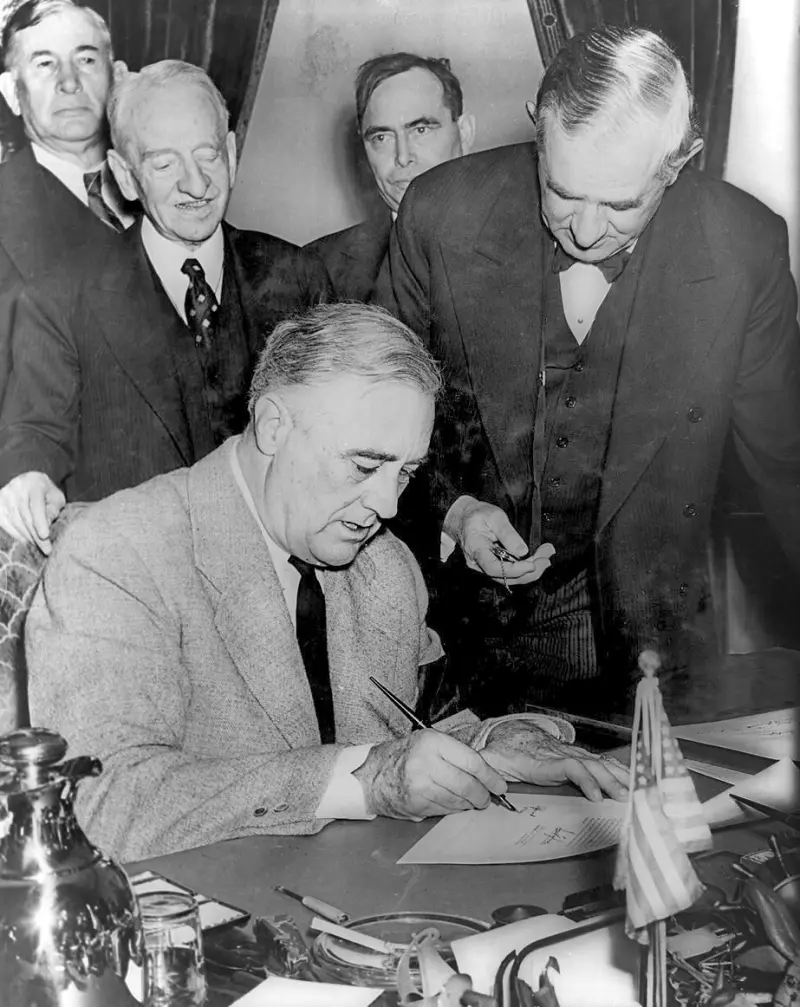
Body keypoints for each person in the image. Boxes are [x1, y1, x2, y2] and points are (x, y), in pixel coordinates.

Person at [26, 303, 627, 862]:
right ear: (272, 426)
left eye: (406, 472)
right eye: (364, 466)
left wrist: (508, 742)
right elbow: (101, 805)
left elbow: (427, 731)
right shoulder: (118, 552)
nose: (388, 505)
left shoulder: (384, 566)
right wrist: (364, 782)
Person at [384, 25, 800, 716]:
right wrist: (455, 509)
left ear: (680, 160)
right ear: (536, 133)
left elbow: (789, 465)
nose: (582, 230)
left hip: (650, 635)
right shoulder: (439, 215)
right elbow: (373, 415)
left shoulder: (745, 249)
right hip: (466, 635)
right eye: (562, 192)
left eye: (620, 205)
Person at [0, 59, 329, 553]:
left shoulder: (298, 277)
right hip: (137, 578)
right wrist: (28, 477)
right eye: (164, 163)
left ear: (233, 154)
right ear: (125, 176)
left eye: (208, 155)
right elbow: (35, 431)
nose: (195, 185)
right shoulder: (59, 298)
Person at [0, 0, 134, 401]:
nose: (70, 82)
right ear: (11, 91)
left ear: (116, 74)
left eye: (87, 59)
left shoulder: (163, 186)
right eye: (45, 64)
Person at [306, 52, 474, 302]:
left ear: (465, 133)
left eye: (421, 130)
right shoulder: (318, 268)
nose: (403, 157)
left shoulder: (529, 245)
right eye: (381, 138)